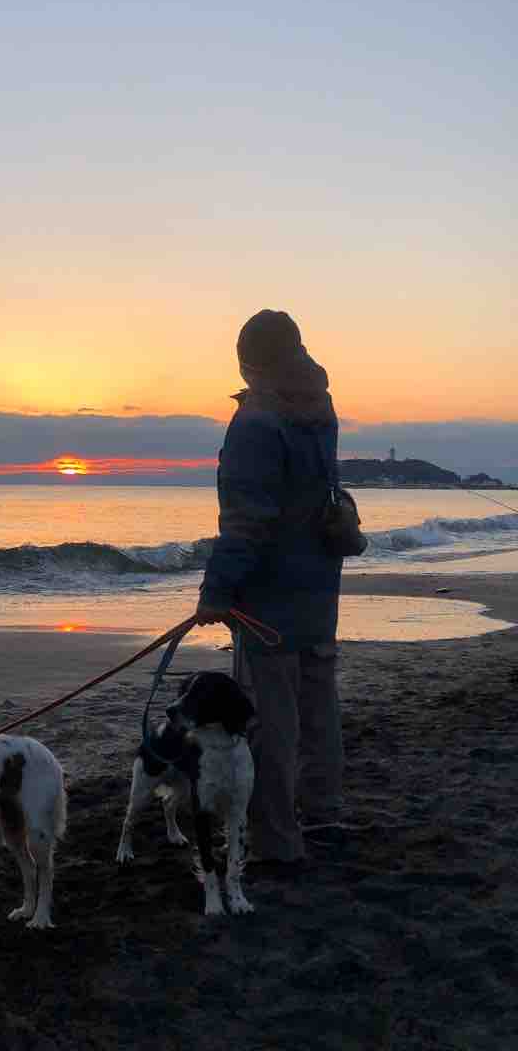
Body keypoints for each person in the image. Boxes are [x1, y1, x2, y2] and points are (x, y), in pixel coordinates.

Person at [192, 309, 351, 871]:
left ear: (247, 363)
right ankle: (325, 815)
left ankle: (278, 841)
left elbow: (246, 521)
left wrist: (216, 591)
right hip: (319, 589)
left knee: (271, 723)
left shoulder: (256, 423)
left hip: (269, 602)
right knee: (318, 708)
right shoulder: (320, 407)